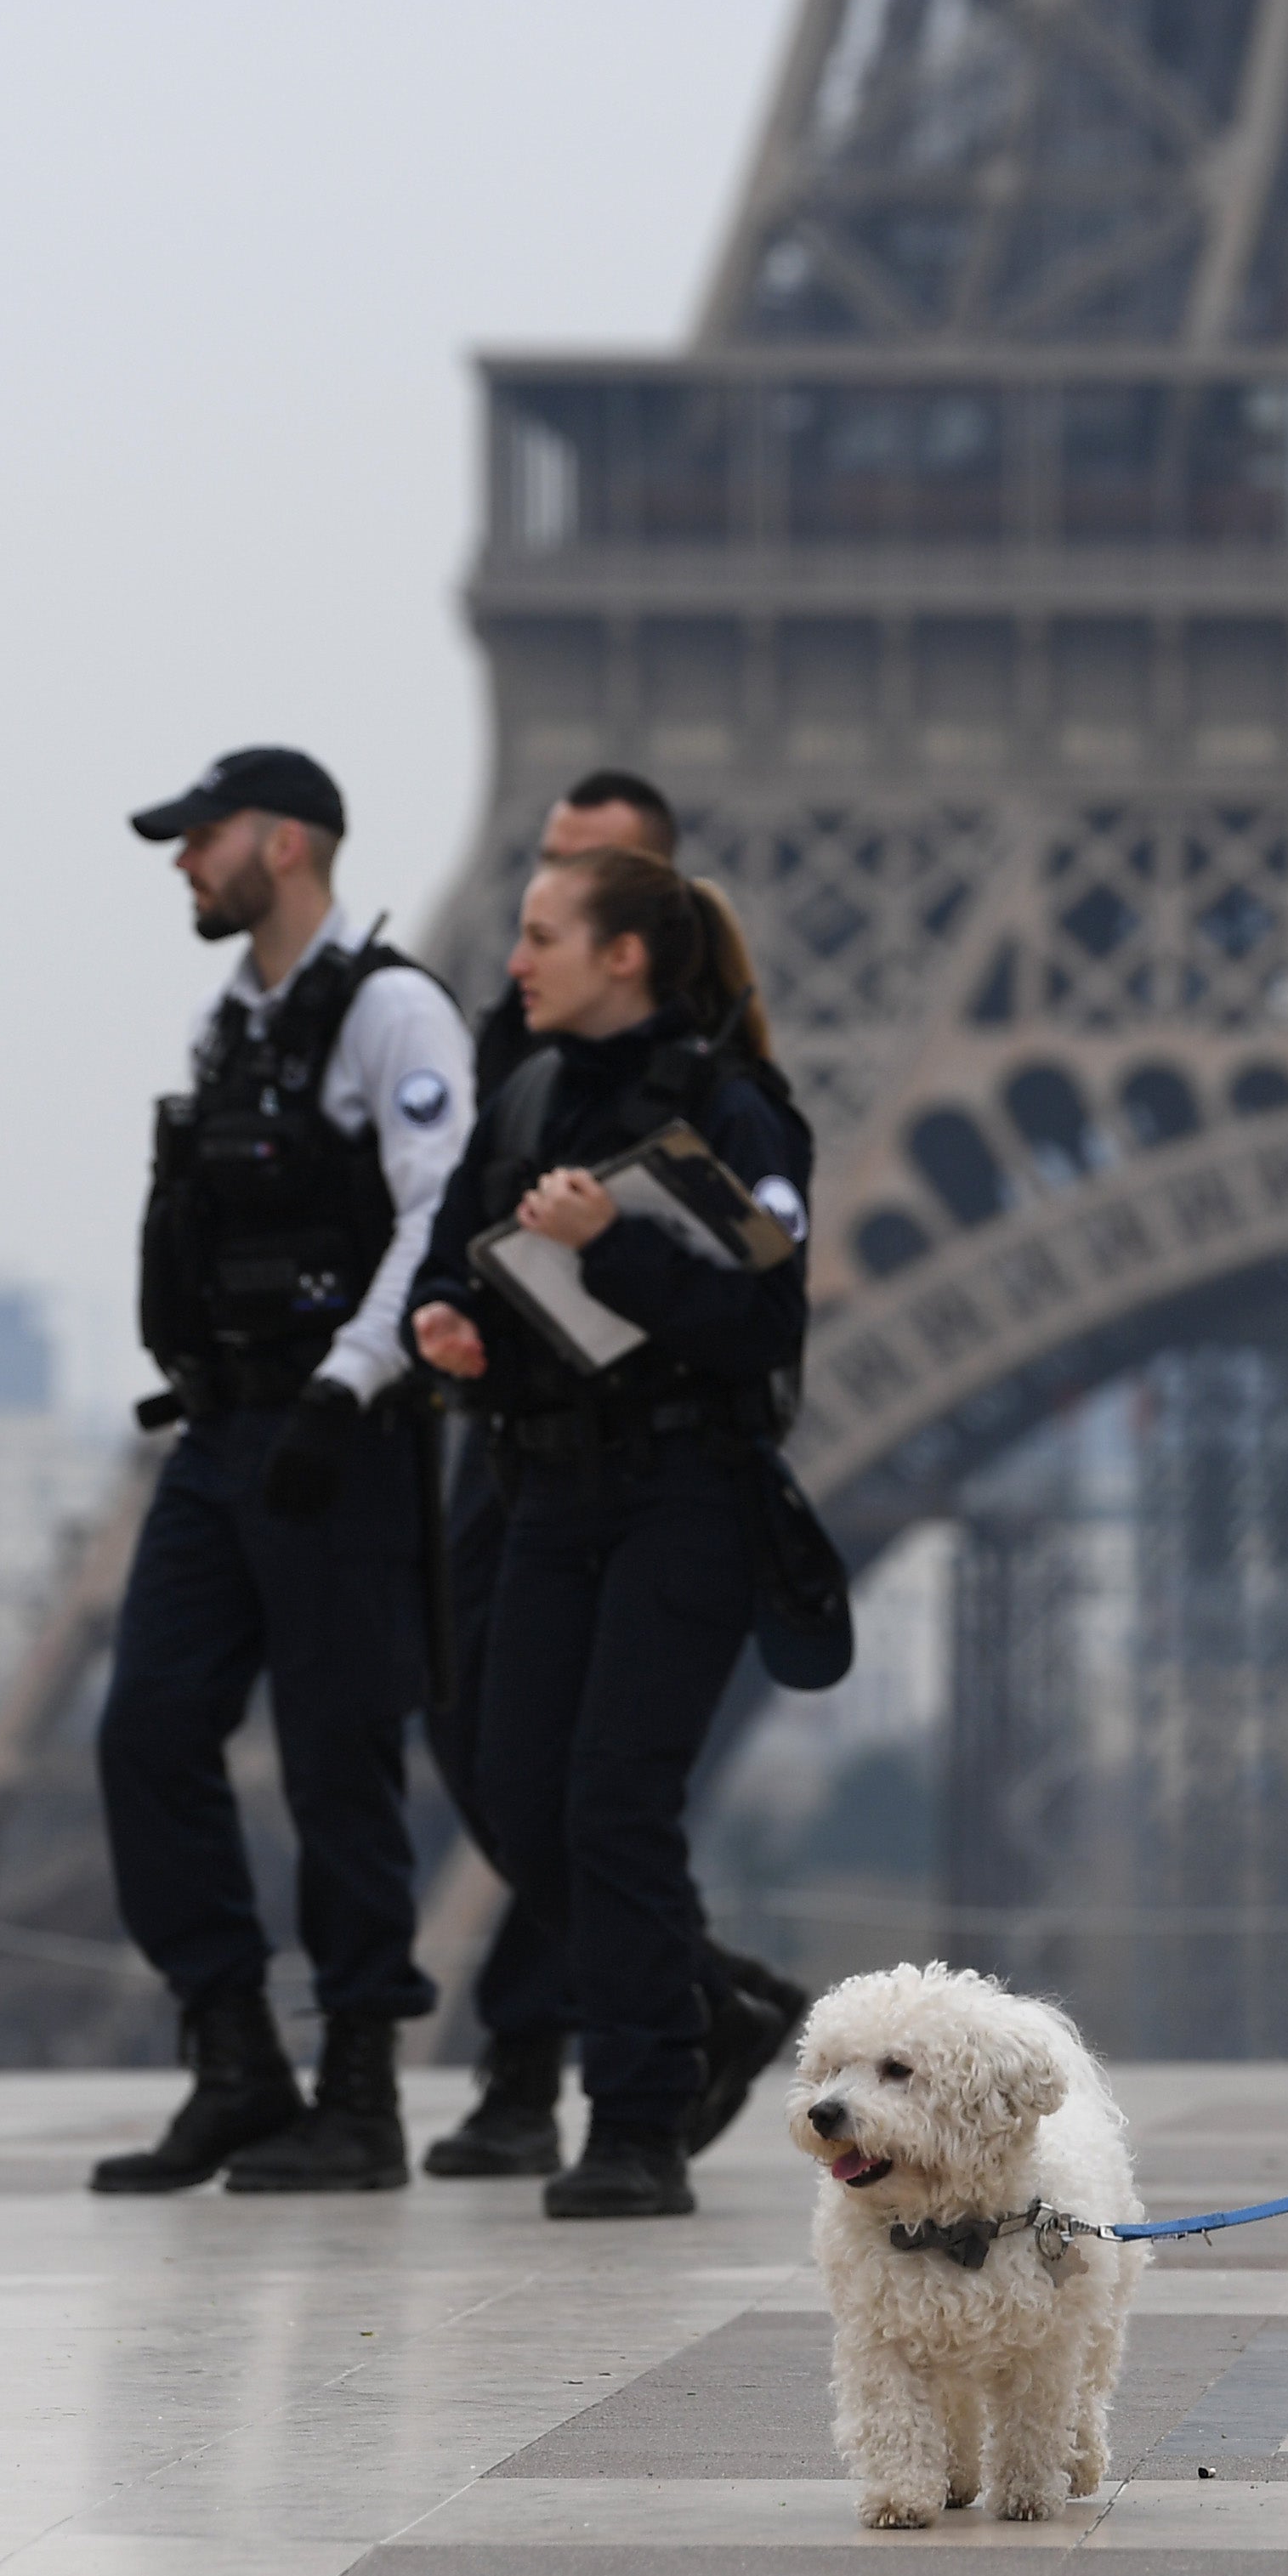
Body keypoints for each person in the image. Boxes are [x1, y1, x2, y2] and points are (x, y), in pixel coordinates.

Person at [407, 847, 817, 2219]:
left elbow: (764, 1324)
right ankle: (710, 2004)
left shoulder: (735, 1109)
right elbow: (458, 1251)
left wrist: (612, 1247)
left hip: (685, 1496)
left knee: (613, 1802)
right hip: (547, 1489)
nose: (515, 962)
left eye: (541, 938)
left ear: (624, 954)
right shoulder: (523, 1092)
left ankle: (637, 2116)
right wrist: (450, 1330)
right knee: (519, 1794)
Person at [91, 747, 472, 2194]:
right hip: (219, 1431)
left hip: (337, 1434)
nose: (184, 861)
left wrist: (345, 1389)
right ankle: (237, 2056)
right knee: (147, 1728)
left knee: (337, 1759)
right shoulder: (228, 1023)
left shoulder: (392, 1012)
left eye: (202, 835)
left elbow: (436, 1220)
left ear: (291, 842)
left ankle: (361, 2092)